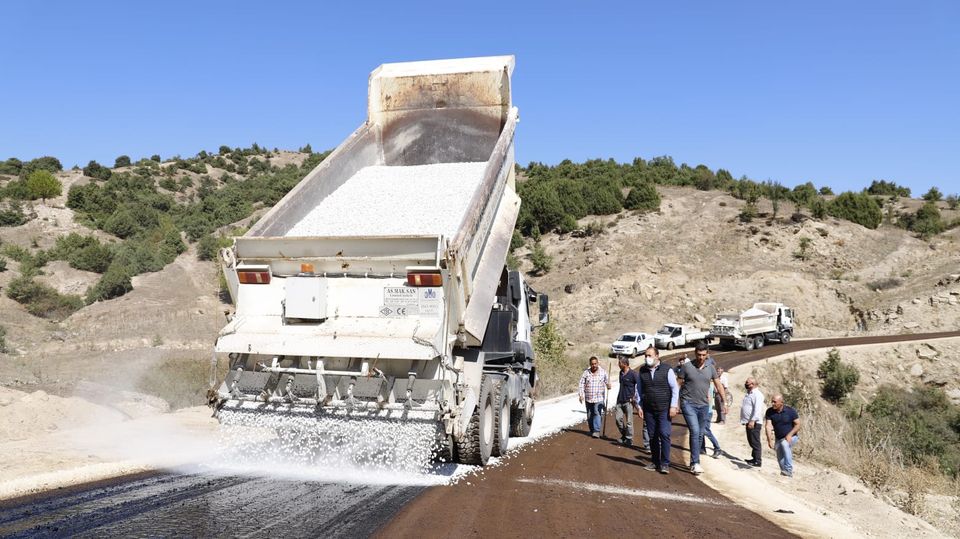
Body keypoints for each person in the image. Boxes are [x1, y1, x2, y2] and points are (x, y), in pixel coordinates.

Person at [677, 341, 727, 474]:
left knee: (700, 433)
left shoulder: (711, 368)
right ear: (695, 353)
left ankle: (695, 460)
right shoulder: (687, 367)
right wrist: (675, 403)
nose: (701, 357)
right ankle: (695, 463)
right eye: (699, 354)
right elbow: (677, 385)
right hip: (688, 403)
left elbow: (719, 385)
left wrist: (725, 402)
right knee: (694, 431)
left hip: (704, 405)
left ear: (707, 354)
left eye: (703, 355)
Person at [636, 345, 679, 474]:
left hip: (664, 408)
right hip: (649, 409)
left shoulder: (667, 369)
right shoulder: (642, 371)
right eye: (645, 356)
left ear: (657, 356)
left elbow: (674, 388)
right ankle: (655, 462)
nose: (647, 358)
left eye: (649, 355)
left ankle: (665, 463)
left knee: (664, 434)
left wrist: (673, 406)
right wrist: (639, 406)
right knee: (652, 436)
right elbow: (639, 390)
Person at [765, 394, 801, 477]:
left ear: (781, 402)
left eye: (775, 402)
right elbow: (768, 426)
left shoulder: (790, 411)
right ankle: (784, 472)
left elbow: (798, 424)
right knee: (779, 455)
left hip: (792, 437)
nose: (772, 403)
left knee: (784, 444)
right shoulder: (769, 411)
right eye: (772, 401)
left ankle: (788, 470)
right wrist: (769, 440)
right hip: (779, 438)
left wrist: (790, 435)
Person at [578, 355, 611, 438]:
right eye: (592, 364)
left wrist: (608, 385)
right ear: (590, 364)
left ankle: (596, 431)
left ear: (597, 363)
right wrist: (581, 395)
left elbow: (607, 382)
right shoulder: (586, 373)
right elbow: (581, 384)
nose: (594, 365)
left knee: (597, 413)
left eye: (595, 363)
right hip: (588, 398)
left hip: (599, 398)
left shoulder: (603, 372)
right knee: (589, 415)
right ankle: (592, 430)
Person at [614, 355, 640, 446]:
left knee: (629, 422)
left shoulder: (633, 374)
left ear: (625, 364)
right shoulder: (620, 373)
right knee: (618, 419)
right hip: (620, 400)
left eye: (619, 363)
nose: (618, 364)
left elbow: (639, 386)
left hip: (629, 401)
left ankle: (629, 439)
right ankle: (624, 435)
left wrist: (635, 397)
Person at [740, 377, 764, 467]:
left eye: (747, 383)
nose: (746, 384)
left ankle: (758, 461)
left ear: (753, 384)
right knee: (751, 440)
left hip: (754, 422)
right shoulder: (749, 393)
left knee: (755, 441)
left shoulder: (757, 394)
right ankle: (754, 458)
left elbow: (757, 409)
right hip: (749, 421)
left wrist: (753, 420)